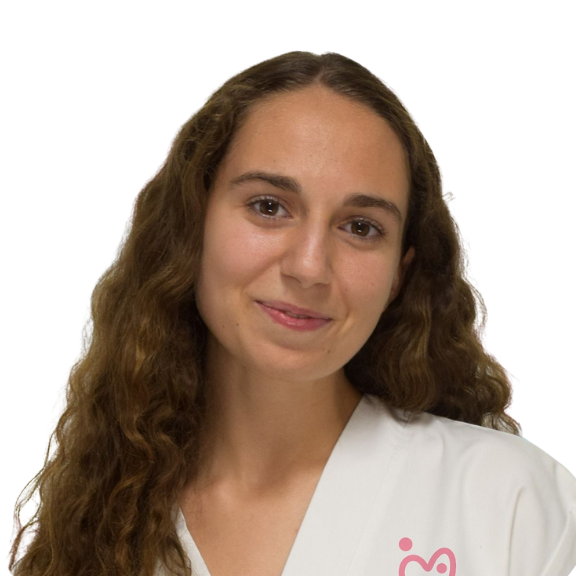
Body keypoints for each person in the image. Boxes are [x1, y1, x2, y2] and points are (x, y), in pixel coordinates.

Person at [9, 51, 576, 576]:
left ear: (399, 274)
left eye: (361, 227)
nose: (309, 267)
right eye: (268, 206)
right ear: (190, 224)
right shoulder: (96, 522)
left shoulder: (512, 505)